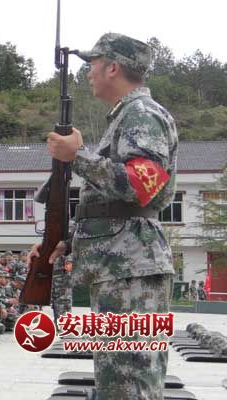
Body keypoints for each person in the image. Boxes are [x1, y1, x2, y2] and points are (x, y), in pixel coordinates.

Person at [30, 33, 178, 400]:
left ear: (112, 67)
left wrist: (77, 156)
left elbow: (140, 188)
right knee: (117, 384)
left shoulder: (142, 114)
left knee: (130, 387)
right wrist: (67, 241)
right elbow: (111, 205)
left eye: (93, 64)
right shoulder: (126, 116)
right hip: (122, 267)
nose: (89, 72)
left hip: (131, 269)